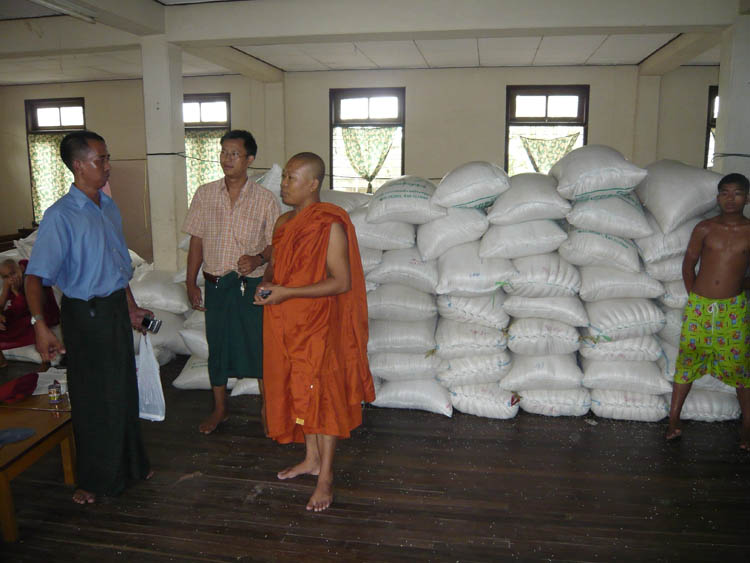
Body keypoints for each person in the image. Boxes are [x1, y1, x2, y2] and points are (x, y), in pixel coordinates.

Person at [24, 130, 153, 504]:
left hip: (113, 309)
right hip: (86, 315)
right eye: (102, 160)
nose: (108, 166)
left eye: (107, 158)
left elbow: (119, 265)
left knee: (122, 392)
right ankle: (95, 479)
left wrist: (130, 306)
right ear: (79, 165)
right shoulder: (60, 217)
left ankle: (131, 464)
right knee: (94, 398)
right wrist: (40, 326)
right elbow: (36, 277)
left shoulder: (106, 207)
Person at [255, 152, 375, 512]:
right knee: (299, 391)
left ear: (313, 184)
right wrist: (265, 285)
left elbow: (340, 282)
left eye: (292, 178)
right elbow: (275, 270)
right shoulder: (282, 223)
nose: (284, 184)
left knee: (322, 397)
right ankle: (310, 459)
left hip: (319, 326)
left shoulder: (329, 225)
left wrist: (287, 292)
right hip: (284, 322)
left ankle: (327, 477)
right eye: (284, 177)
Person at [182, 130, 280, 434]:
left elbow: (275, 246)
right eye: (223, 152)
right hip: (215, 286)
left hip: (249, 286)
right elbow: (196, 241)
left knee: (258, 346)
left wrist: (258, 259)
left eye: (234, 153)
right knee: (219, 347)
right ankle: (221, 408)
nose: (227, 158)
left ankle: (267, 407)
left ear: (250, 159)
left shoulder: (265, 199)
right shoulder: (205, 193)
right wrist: (190, 281)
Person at [666, 172, 750, 448]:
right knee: (686, 364)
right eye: (724, 193)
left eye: (737, 193)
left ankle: (746, 429)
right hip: (700, 307)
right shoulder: (704, 228)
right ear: (717, 197)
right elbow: (688, 264)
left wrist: (739, 287)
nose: (730, 199)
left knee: (741, 368)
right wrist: (695, 297)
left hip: (733, 310)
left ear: (746, 198)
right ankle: (673, 421)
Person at [0, 258, 59, 369]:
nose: (11, 279)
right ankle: (2, 362)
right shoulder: (9, 281)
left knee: (36, 325)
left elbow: (36, 304)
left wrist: (17, 292)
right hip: (21, 312)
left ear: (20, 268)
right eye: (6, 277)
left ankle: (46, 361)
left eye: (13, 273)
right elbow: (1, 303)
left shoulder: (30, 275)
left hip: (41, 311)